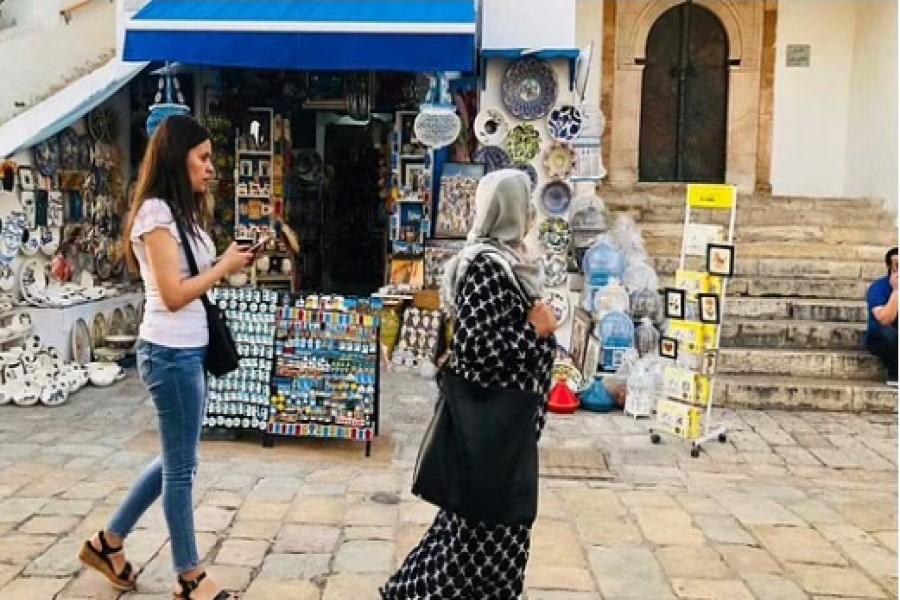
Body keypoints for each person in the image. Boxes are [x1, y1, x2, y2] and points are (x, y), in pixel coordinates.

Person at [78, 115, 251, 600]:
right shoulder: (155, 214)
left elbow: (191, 281)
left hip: (188, 349)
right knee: (180, 468)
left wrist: (227, 263)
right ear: (178, 160)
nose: (211, 168)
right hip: (170, 352)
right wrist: (223, 268)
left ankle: (107, 542)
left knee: (180, 460)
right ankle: (189, 575)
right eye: (202, 158)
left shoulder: (182, 212)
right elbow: (174, 295)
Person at [380, 169, 558, 599]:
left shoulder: (507, 262)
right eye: (526, 203)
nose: (532, 212)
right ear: (510, 210)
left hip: (507, 426)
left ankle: (409, 592)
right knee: (490, 532)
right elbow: (479, 352)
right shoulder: (484, 266)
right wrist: (534, 330)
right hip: (493, 426)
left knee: (471, 530)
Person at [866, 246, 898, 385]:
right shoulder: (878, 288)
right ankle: (895, 372)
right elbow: (885, 319)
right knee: (887, 332)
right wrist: (897, 291)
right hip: (882, 338)